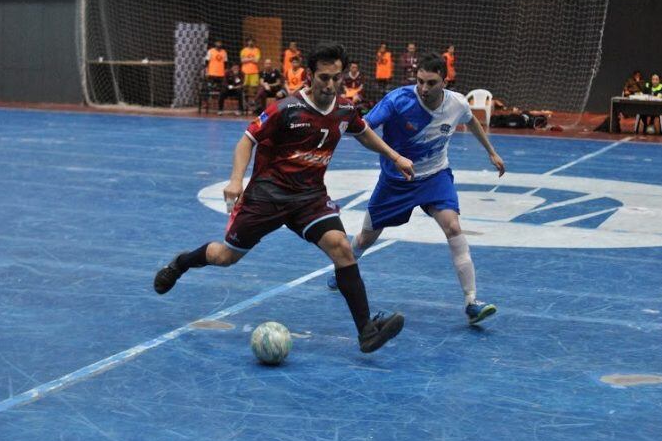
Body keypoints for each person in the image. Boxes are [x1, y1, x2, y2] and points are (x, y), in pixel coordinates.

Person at [154, 42, 414, 354]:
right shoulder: (285, 109)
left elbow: (362, 131)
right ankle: (181, 263)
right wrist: (236, 180)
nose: (330, 85)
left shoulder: (344, 109)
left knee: (342, 248)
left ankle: (366, 332)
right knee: (225, 257)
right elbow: (246, 141)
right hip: (268, 196)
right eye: (323, 78)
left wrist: (395, 156)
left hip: (310, 199)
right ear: (309, 75)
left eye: (336, 78)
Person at [326, 53, 506, 326]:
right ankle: (343, 268)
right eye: (420, 81)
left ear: (444, 81)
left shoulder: (456, 102)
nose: (423, 88)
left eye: (431, 83)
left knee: (453, 228)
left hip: (435, 177)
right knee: (364, 239)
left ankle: (471, 302)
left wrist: (491, 152)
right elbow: (363, 127)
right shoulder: (398, 100)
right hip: (396, 181)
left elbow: (470, 120)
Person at [240, 37, 261, 107]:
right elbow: (242, 60)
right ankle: (245, 103)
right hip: (245, 72)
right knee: (245, 88)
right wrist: (252, 59)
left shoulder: (257, 50)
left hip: (254, 72)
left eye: (252, 41)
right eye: (249, 41)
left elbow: (256, 61)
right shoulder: (243, 50)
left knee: (255, 88)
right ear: (247, 42)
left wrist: (247, 59)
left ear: (254, 43)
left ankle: (254, 102)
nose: (251, 43)